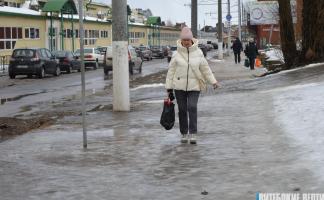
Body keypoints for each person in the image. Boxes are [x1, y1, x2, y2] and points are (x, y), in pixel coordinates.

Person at [165, 27, 220, 144]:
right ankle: (184, 133)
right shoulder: (176, 54)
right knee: (182, 109)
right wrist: (169, 88)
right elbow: (171, 72)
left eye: (188, 40)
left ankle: (193, 133)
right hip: (179, 87)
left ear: (192, 40)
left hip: (195, 86)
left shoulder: (199, 53)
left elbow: (205, 69)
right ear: (181, 40)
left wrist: (213, 81)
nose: (186, 42)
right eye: (184, 40)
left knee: (192, 107)